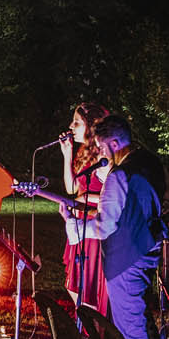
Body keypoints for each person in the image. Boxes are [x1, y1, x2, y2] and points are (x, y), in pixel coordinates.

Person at [58, 113, 163, 339]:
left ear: (115, 143)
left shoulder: (119, 175)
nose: (101, 154)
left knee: (130, 327)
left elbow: (104, 226)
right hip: (147, 251)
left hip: (125, 259)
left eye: (104, 147)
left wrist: (72, 224)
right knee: (137, 321)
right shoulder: (149, 163)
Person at [61, 103, 111, 317]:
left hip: (95, 225)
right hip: (79, 223)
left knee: (88, 285)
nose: (71, 126)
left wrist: (84, 198)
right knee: (74, 285)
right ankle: (92, 335)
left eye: (77, 122)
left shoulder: (104, 156)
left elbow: (113, 196)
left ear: (92, 126)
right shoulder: (83, 153)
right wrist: (67, 154)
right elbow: (72, 188)